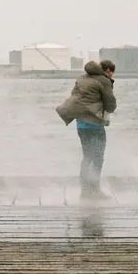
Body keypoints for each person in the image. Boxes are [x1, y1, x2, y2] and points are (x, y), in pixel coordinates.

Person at [55, 59, 117, 198]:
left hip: (81, 125)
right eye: (109, 71)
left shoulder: (81, 79)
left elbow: (76, 97)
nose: (111, 74)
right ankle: (94, 190)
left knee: (87, 157)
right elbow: (111, 104)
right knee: (98, 158)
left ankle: (85, 190)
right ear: (104, 71)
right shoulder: (104, 81)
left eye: (112, 71)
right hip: (95, 125)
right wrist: (108, 111)